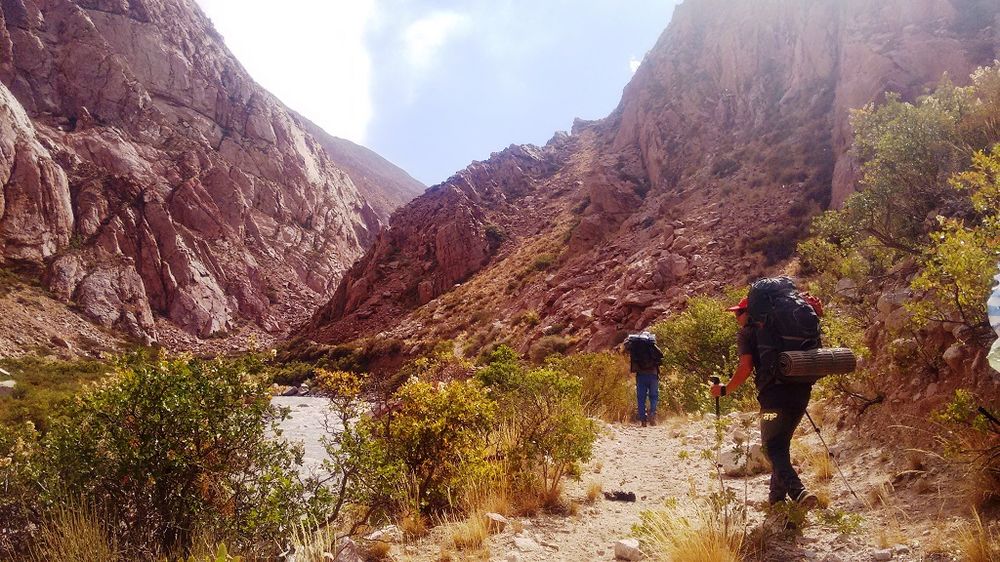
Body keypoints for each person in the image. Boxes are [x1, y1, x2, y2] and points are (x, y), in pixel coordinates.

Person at [710, 296, 819, 509]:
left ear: (750, 313)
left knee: (772, 448)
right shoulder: (784, 327)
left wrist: (724, 390)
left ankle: (798, 492)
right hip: (801, 391)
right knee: (781, 444)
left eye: (738, 313)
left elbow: (745, 368)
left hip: (773, 398)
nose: (736, 318)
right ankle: (776, 500)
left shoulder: (748, 333)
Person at [624, 332, 664, 427]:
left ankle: (643, 420)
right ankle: (652, 415)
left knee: (641, 398)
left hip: (641, 375)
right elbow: (661, 356)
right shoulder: (652, 346)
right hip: (653, 375)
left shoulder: (636, 347)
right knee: (653, 396)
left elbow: (625, 348)